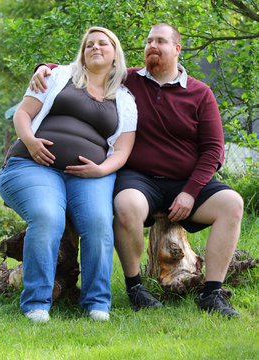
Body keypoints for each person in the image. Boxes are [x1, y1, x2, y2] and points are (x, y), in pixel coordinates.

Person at [30, 23, 243, 318]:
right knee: (126, 206)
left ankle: (211, 294)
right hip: (139, 179)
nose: (152, 46)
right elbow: (87, 68)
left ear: (177, 49)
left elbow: (212, 151)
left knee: (232, 204)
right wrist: (45, 67)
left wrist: (190, 192)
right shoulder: (127, 81)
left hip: (186, 180)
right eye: (148, 41)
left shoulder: (200, 93)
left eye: (161, 41)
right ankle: (135, 288)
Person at [0, 26, 137, 323]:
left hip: (91, 175)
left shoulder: (125, 99)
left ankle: (97, 303)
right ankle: (36, 303)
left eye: (103, 43)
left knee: (99, 223)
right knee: (48, 217)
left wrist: (100, 169)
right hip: (34, 165)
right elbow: (23, 114)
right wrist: (32, 143)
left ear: (116, 55)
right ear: (82, 54)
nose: (95, 47)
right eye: (89, 45)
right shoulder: (57, 76)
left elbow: (123, 151)